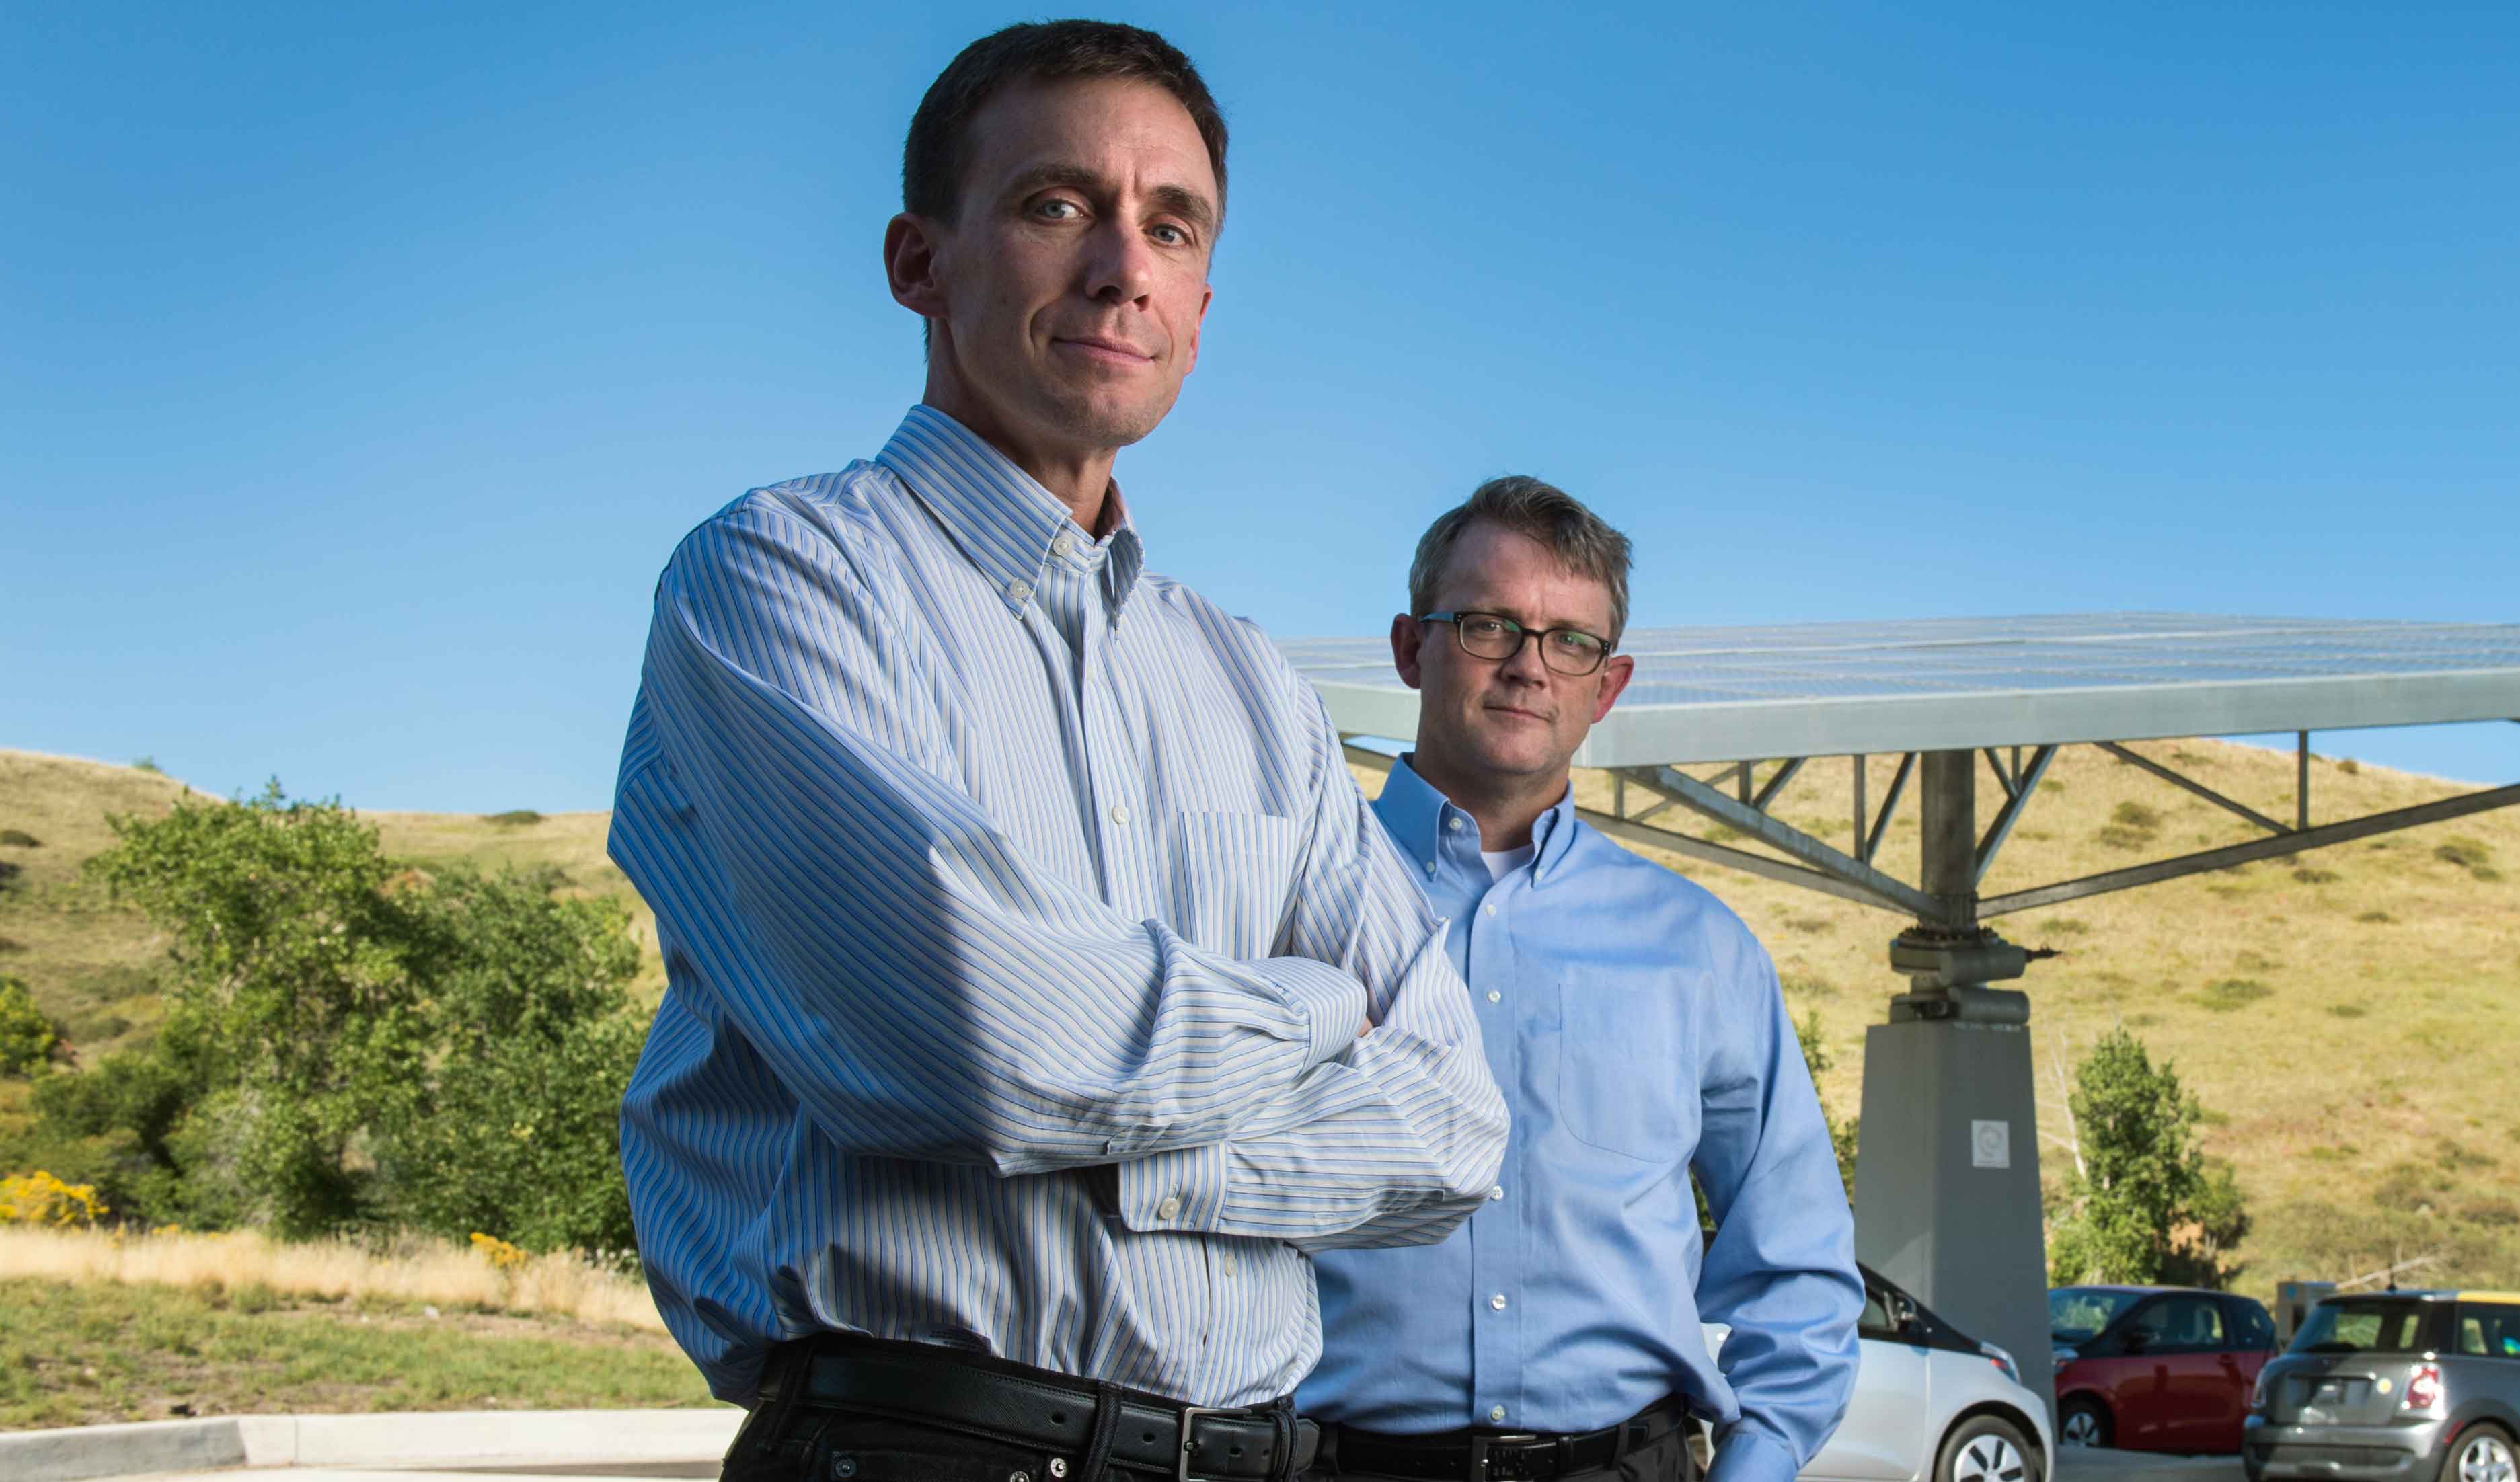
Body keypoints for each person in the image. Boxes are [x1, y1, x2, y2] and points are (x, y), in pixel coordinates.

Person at [606, 22, 1508, 1482]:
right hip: (916, 1449)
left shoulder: (1249, 680)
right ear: (920, 261)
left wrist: (1129, 1144)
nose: (1120, 266)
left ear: (1202, 300)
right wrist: (1311, 1007)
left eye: (1171, 224)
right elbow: (974, 1042)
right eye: (1055, 205)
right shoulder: (779, 579)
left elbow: (1453, 1123)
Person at [1299, 479, 1861, 1482]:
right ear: (1408, 647)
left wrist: (1756, 1463)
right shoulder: (1284, 902)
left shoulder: (1700, 948)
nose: (1528, 668)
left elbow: (1796, 1253)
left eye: (1570, 642)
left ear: (1607, 686)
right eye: (1487, 626)